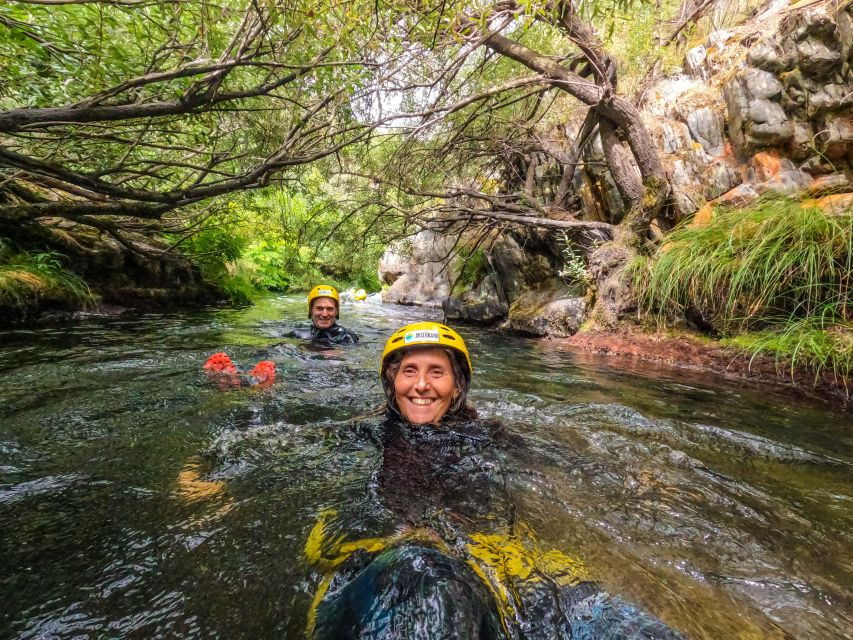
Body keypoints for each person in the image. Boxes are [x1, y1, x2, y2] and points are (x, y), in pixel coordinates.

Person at [305, 322, 685, 640]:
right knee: (429, 584)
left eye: (436, 372)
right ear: (392, 383)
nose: (421, 385)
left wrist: (632, 479)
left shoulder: (488, 433)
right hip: (389, 548)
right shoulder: (366, 432)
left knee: (623, 625)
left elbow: (559, 458)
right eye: (409, 371)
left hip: (489, 551)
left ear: (457, 386)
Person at [287, 285, 359, 347]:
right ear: (311, 311)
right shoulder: (297, 334)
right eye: (319, 308)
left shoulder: (347, 337)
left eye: (330, 309)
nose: (324, 314)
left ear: (336, 312)